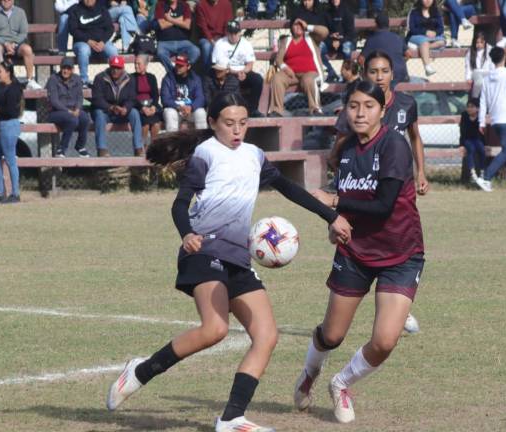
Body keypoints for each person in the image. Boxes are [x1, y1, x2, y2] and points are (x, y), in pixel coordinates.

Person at [106, 91, 352, 432]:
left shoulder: (254, 155)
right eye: (229, 123)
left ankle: (232, 417)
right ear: (212, 123)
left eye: (243, 123)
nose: (237, 130)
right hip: (204, 251)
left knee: (266, 335)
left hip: (238, 255)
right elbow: (180, 204)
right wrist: (186, 233)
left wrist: (330, 215)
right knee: (215, 329)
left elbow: (288, 188)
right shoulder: (206, 155)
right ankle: (140, 371)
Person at [293, 80, 425, 425]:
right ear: (345, 110)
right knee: (332, 335)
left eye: (368, 105)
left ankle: (341, 384)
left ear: (383, 110)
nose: (360, 112)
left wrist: (333, 202)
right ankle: (310, 372)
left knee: (384, 342)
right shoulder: (347, 150)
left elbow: (382, 206)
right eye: (353, 105)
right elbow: (348, 199)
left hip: (401, 253)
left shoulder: (394, 145)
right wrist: (334, 223)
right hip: (356, 252)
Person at [331, 51, 430, 196]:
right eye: (373, 72)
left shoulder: (406, 104)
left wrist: (420, 172)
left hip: (396, 178)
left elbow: (415, 138)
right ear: (364, 75)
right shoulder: (354, 108)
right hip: (363, 182)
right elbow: (335, 153)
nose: (379, 77)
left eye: (385, 71)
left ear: (392, 74)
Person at [475, 46, 506, 193]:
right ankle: (486, 177)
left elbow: (483, 101)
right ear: (504, 58)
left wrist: (481, 121)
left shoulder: (487, 78)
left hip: (494, 120)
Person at [268, 18, 328, 117]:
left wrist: (307, 26)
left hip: (310, 72)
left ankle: (315, 109)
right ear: (291, 27)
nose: (298, 27)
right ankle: (276, 110)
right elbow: (278, 59)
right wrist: (285, 68)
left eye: (300, 25)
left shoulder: (311, 38)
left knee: (308, 80)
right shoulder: (286, 41)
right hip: (291, 74)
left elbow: (325, 32)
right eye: (295, 25)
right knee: (277, 78)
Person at [91, 55, 144, 157]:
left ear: (123, 68)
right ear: (110, 66)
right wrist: (110, 107)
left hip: (122, 112)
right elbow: (97, 99)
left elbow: (132, 98)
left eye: (118, 68)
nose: (115, 70)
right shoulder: (100, 78)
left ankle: (138, 148)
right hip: (106, 111)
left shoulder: (130, 79)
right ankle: (102, 149)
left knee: (134, 113)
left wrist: (125, 108)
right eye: (113, 67)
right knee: (99, 113)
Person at [212, 20, 264, 117]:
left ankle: (253, 109)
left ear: (240, 32)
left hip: (243, 71)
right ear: (227, 33)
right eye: (231, 33)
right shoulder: (220, 44)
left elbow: (250, 64)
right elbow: (220, 66)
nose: (233, 36)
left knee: (258, 79)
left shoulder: (246, 44)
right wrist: (235, 72)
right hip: (227, 72)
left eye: (236, 33)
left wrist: (243, 72)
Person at [0, 0, 41, 89]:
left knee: (27, 49)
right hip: (0, 44)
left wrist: (14, 43)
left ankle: (30, 80)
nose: (6, 0)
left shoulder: (20, 12)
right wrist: (5, 44)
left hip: (17, 44)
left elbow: (23, 32)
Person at [0, 61, 23, 203]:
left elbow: (11, 110)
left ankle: (15, 193)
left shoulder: (14, 88)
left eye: (0, 71)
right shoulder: (2, 87)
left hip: (8, 125)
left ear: (8, 72)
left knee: (10, 160)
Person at [46, 57, 90, 158]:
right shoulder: (53, 79)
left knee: (85, 118)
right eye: (63, 68)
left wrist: (78, 108)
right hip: (56, 112)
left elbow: (80, 97)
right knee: (73, 120)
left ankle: (80, 146)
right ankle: (61, 148)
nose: (65, 70)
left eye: (68, 68)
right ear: (60, 68)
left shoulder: (77, 79)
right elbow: (54, 101)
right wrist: (69, 111)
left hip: (73, 110)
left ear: (72, 70)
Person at [69, 0, 116, 87]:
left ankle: (115, 79)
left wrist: (103, 41)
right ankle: (84, 80)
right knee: (84, 50)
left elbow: (110, 28)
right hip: (82, 42)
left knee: (113, 50)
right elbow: (73, 29)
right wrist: (88, 41)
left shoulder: (102, 9)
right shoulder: (75, 9)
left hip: (101, 42)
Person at [288, 0, 337, 83]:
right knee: (313, 48)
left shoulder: (322, 12)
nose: (306, 3)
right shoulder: (298, 13)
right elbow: (293, 29)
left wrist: (334, 39)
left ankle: (328, 72)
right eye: (304, 1)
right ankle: (328, 72)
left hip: (322, 41)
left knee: (317, 48)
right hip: (305, 42)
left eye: (309, 0)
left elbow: (329, 29)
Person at [161, 55, 207, 132]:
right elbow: (165, 99)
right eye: (177, 65)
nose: (178, 67)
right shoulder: (168, 78)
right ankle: (172, 142)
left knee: (201, 113)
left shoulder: (195, 78)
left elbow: (200, 98)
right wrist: (178, 107)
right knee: (169, 113)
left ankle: (202, 141)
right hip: (175, 109)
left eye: (181, 66)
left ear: (188, 67)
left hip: (190, 110)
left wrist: (191, 107)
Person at [154, 0, 200, 75]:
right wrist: (179, 20)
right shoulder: (160, 5)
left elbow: (187, 25)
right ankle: (173, 73)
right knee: (160, 53)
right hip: (165, 42)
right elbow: (162, 25)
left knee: (196, 51)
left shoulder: (185, 6)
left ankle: (184, 70)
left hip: (183, 41)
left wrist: (169, 19)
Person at [361, 13, 409, 84]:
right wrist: (400, 61)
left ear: (376, 25)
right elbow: (409, 54)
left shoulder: (372, 39)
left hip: (382, 76)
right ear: (388, 24)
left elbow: (361, 59)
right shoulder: (398, 37)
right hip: (401, 74)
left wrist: (369, 69)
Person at [130, 54, 163, 146]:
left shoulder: (151, 77)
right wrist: (142, 108)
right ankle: (141, 147)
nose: (136, 66)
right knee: (145, 125)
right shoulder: (131, 77)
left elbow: (155, 95)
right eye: (135, 63)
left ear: (145, 65)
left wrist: (153, 106)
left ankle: (153, 147)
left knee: (156, 125)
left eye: (138, 64)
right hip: (138, 106)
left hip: (150, 105)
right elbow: (132, 96)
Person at [406, 0, 445, 77]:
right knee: (424, 42)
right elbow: (411, 28)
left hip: (432, 37)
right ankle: (427, 67)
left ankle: (421, 48)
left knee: (442, 42)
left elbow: (441, 28)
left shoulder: (436, 12)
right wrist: (425, 32)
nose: (427, 1)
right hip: (415, 35)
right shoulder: (414, 12)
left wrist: (435, 33)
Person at [194, 0, 233, 69]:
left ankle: (225, 72)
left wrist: (223, 41)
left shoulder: (227, 4)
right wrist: (212, 41)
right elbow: (203, 27)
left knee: (227, 46)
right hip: (206, 37)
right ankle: (207, 75)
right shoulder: (201, 5)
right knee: (207, 47)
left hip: (223, 37)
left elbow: (228, 25)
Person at [459, 98, 485, 181]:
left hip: (477, 139)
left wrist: (485, 142)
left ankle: (482, 172)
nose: (469, 109)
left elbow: (483, 133)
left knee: (482, 149)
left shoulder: (481, 116)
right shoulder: (464, 115)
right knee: (471, 149)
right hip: (467, 139)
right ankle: (472, 173)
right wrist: (461, 145)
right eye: (468, 106)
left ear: (477, 108)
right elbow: (462, 131)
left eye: (472, 106)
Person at [465, 32, 494, 98]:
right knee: (479, 80)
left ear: (485, 42)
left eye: (481, 42)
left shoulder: (490, 50)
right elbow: (468, 66)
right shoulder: (470, 52)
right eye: (477, 42)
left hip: (487, 73)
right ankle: (475, 97)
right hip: (476, 73)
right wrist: (468, 77)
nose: (479, 44)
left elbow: (492, 64)